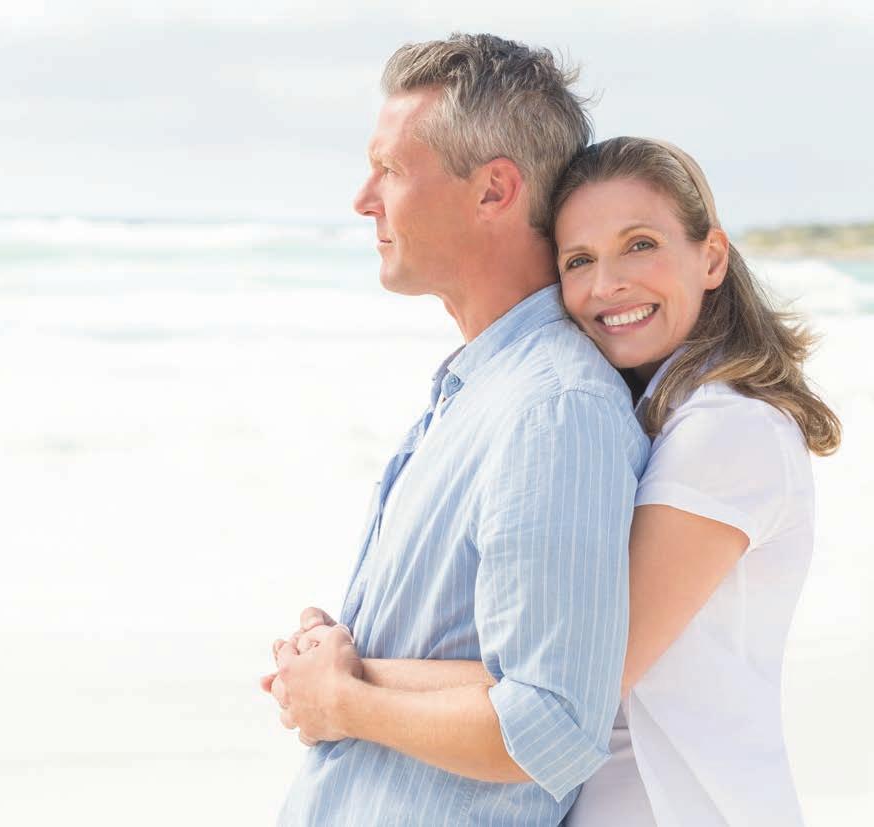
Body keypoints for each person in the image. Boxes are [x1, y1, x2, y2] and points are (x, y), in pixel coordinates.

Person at [276, 136, 842, 826]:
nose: (608, 284)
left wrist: (342, 681)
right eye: (579, 260)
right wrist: (332, 662)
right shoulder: (654, 417)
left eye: (639, 245)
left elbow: (568, 684)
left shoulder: (728, 430)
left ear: (712, 258)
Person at [261, 35, 650, 826]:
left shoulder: (553, 411)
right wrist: (344, 655)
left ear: (493, 191)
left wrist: (340, 699)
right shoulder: (479, 390)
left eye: (391, 169)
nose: (363, 199)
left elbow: (550, 724)